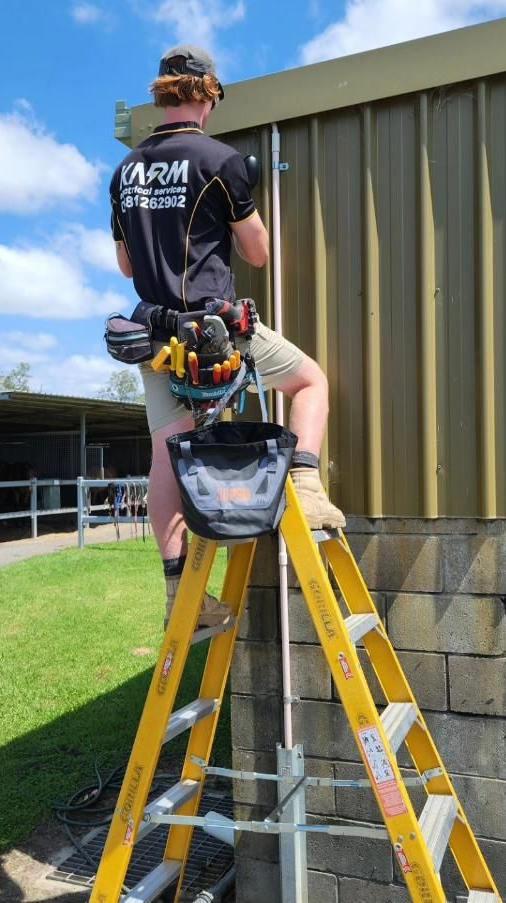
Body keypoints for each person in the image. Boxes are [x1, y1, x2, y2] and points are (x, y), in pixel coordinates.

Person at [110, 45, 344, 628]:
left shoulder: (125, 171)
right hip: (217, 334)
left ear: (161, 94)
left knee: (168, 451)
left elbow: (125, 265)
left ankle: (178, 598)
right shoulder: (220, 160)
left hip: (156, 335)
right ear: (206, 95)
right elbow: (257, 253)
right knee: (310, 381)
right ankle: (308, 484)